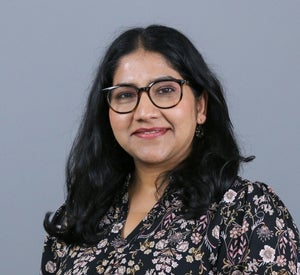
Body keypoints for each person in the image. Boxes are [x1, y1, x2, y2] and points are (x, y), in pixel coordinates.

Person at [40, 25, 300, 274]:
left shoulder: (245, 212)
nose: (144, 112)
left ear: (200, 107)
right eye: (125, 95)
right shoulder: (77, 219)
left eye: (165, 90)